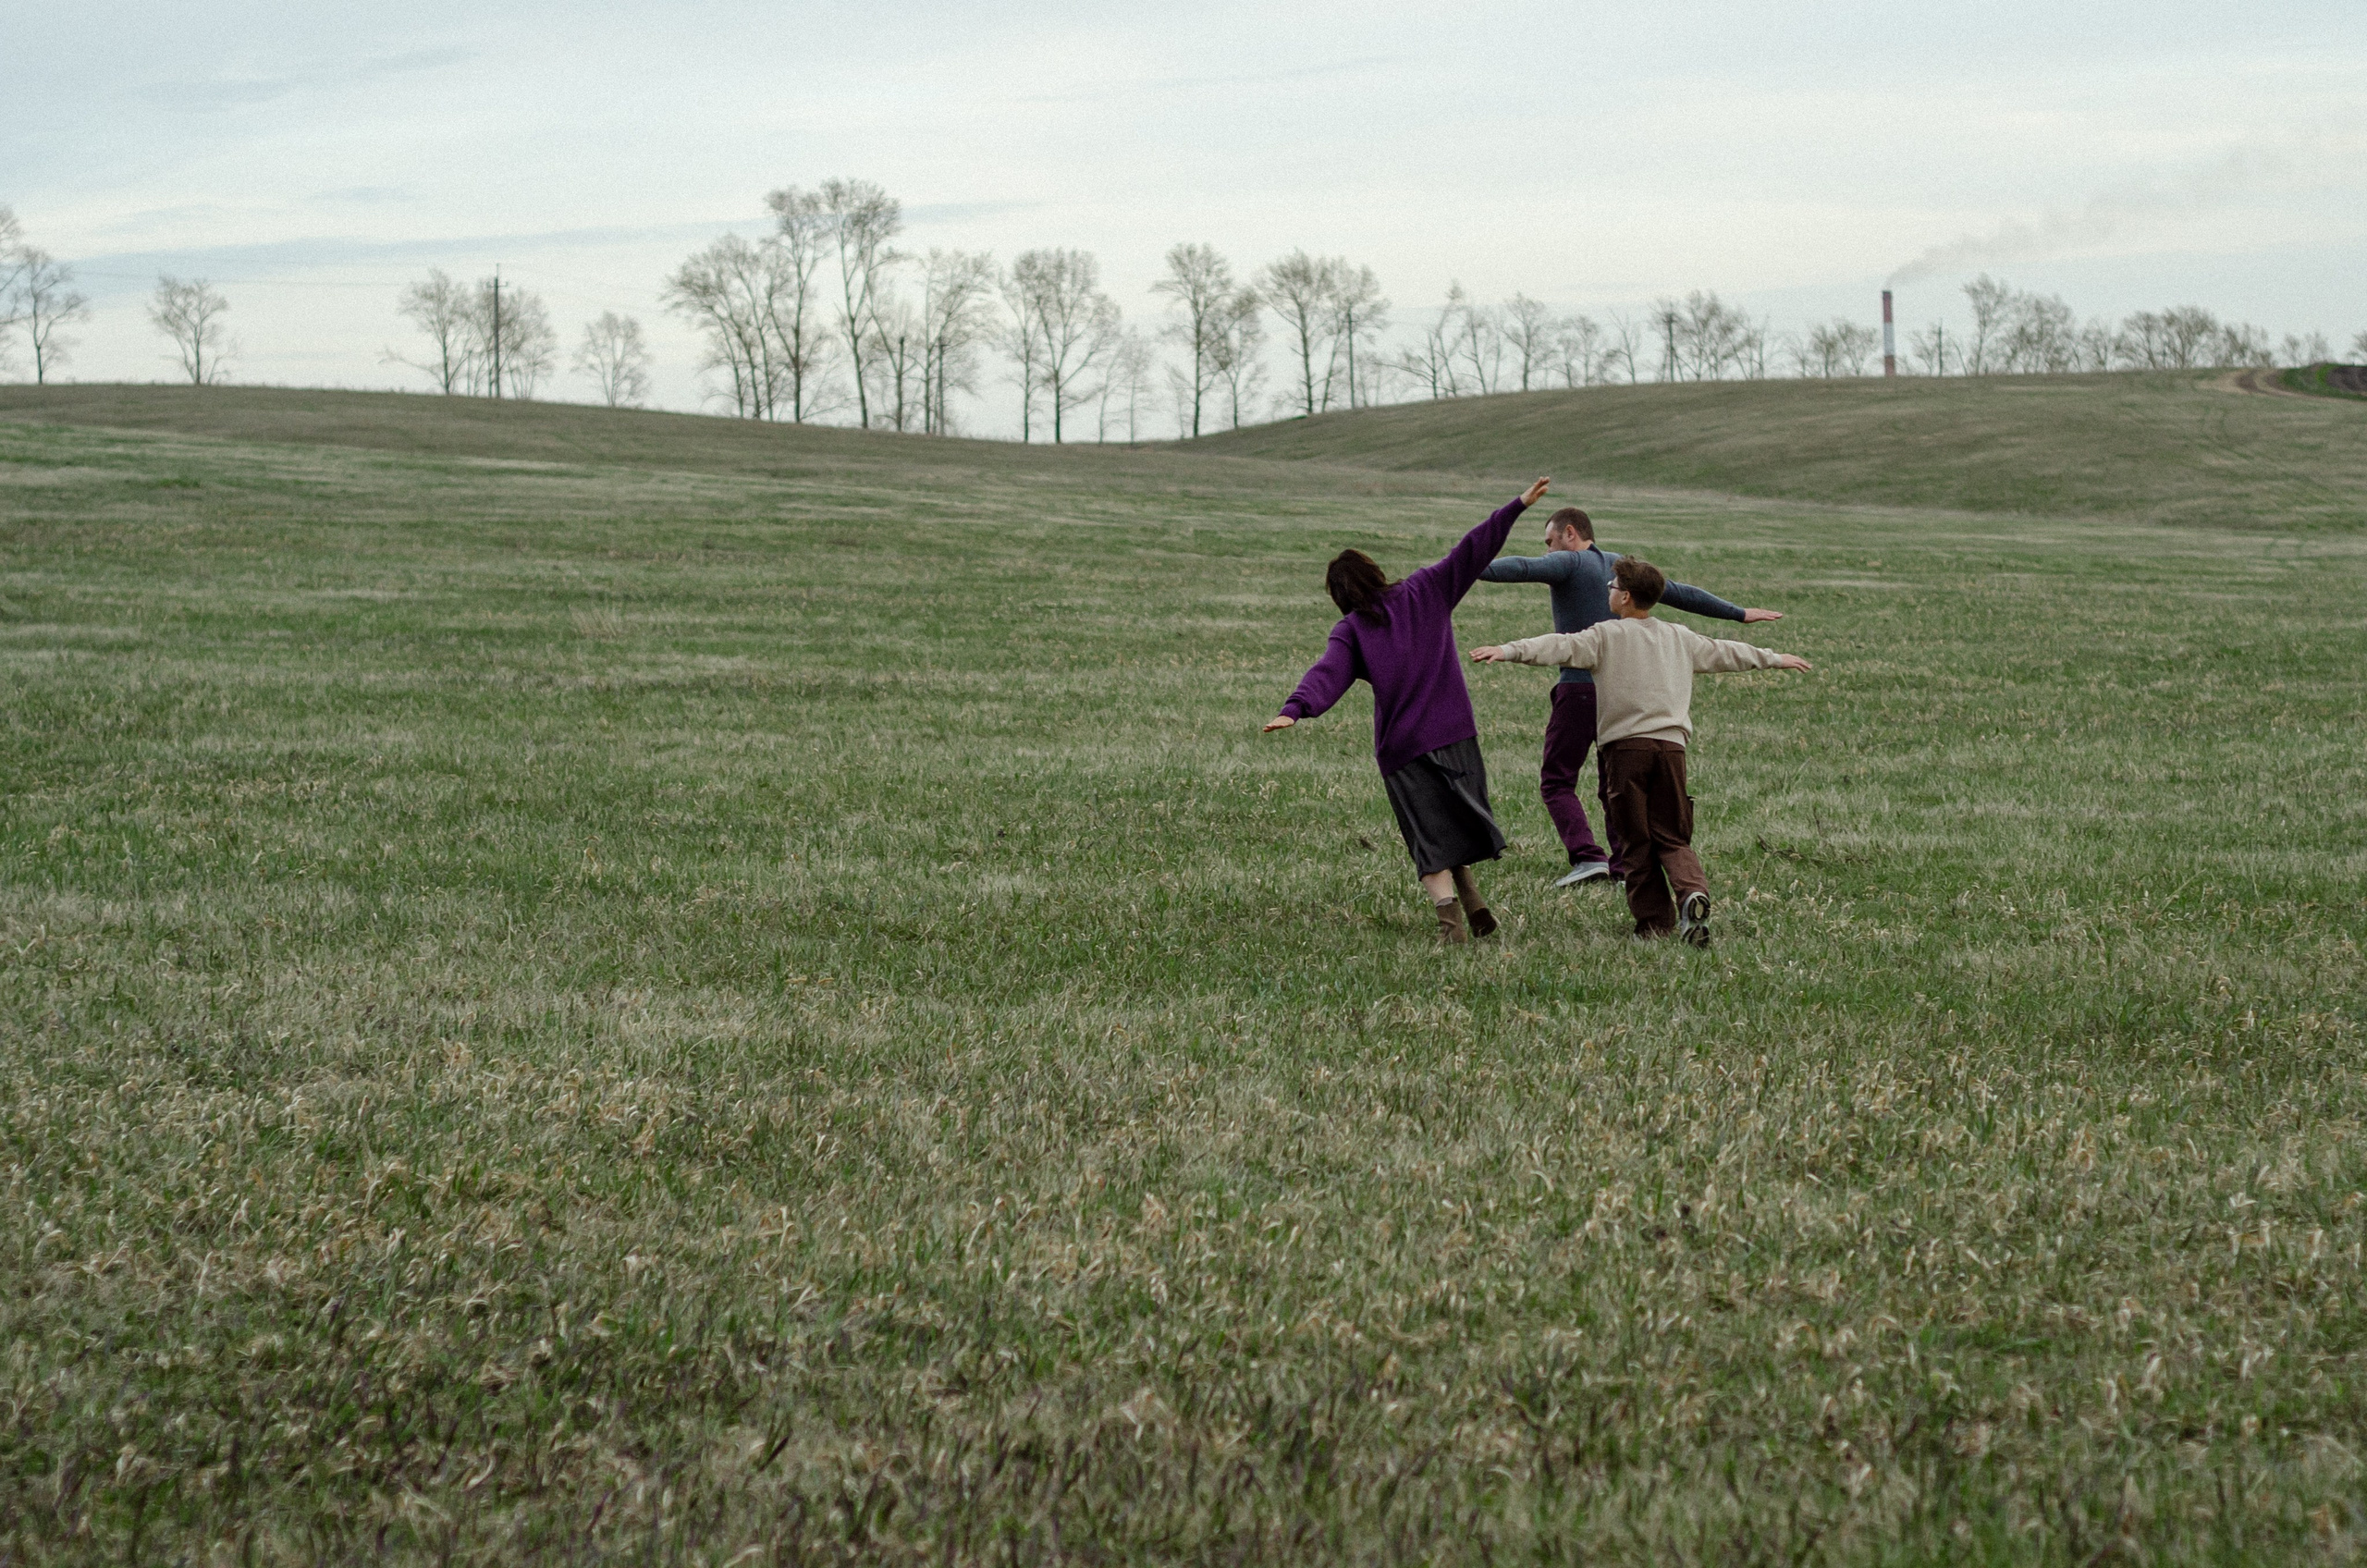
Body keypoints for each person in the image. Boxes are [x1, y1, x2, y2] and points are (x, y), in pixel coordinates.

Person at [1265, 477, 1553, 945]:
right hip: (1455, 733)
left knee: (1427, 835)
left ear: (1340, 594)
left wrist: (1295, 709)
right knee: (1453, 823)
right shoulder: (1427, 589)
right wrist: (1516, 506)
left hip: (1403, 747)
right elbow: (1472, 548)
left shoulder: (1352, 629)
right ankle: (1475, 903)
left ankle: (1450, 925)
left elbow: (1328, 673)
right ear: (1375, 572)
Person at [1469, 556, 1810, 947]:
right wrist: (1774, 659)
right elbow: (1726, 652)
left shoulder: (1604, 636)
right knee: (1673, 836)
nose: (1608, 592)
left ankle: (1653, 925)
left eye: (1612, 587)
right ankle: (1692, 892)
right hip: (1672, 751)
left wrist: (1508, 649)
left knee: (1635, 840)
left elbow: (1558, 647)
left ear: (1626, 597)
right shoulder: (1680, 636)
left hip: (1625, 752)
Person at [1476, 508, 1781, 888]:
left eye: (1550, 542)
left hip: (1577, 687)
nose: (1549, 552)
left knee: (1557, 780)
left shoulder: (1569, 563)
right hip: (1619, 695)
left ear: (1570, 533)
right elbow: (1683, 593)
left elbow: (1520, 568)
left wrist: (1466, 564)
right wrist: (1738, 613)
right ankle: (1623, 866)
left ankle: (1587, 857)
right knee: (1613, 786)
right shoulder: (1621, 572)